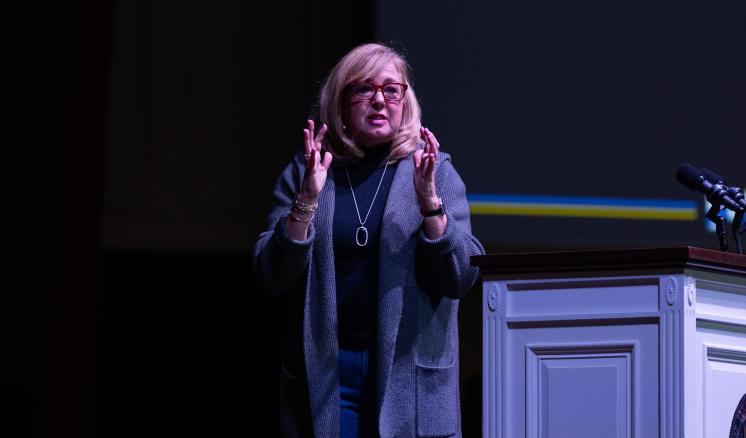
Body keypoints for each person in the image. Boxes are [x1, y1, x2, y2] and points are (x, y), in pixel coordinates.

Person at [253, 42, 484, 438]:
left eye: (392, 89)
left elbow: (461, 275)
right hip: (327, 374)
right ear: (340, 101)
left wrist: (430, 204)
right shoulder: (309, 170)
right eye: (364, 88)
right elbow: (271, 272)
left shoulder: (434, 170)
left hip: (407, 373)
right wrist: (307, 199)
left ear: (405, 100)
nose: (380, 100)